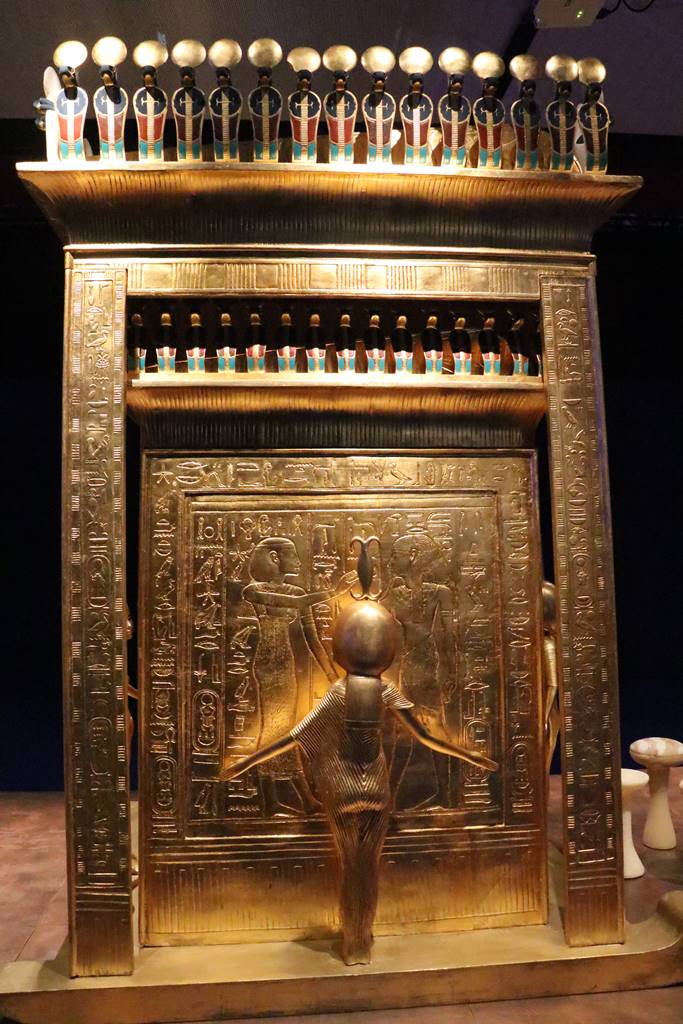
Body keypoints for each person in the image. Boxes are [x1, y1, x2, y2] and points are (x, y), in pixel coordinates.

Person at [221, 555, 497, 965]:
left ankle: (352, 941)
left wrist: (245, 762)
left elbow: (295, 737)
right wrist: (469, 754)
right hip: (376, 789)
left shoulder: (338, 692)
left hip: (344, 788)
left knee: (351, 866)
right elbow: (426, 737)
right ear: (388, 646)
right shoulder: (385, 690)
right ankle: (363, 937)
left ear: (342, 646)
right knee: (368, 867)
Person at [241, 537, 355, 816]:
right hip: (268, 664)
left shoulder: (297, 591)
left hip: (286, 663)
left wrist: (332, 675)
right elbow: (297, 602)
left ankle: (278, 800)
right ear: (275, 558)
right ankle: (291, 798)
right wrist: (333, 592)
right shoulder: (253, 590)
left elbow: (312, 639)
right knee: (275, 729)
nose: (299, 561)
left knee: (286, 728)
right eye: (293, 555)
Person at [383, 532, 457, 809]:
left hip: (427, 664)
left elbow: (448, 636)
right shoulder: (394, 594)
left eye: (396, 556)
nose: (391, 562)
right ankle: (391, 795)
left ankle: (444, 795)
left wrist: (449, 671)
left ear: (413, 556)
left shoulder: (440, 592)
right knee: (403, 729)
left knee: (430, 727)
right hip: (406, 665)